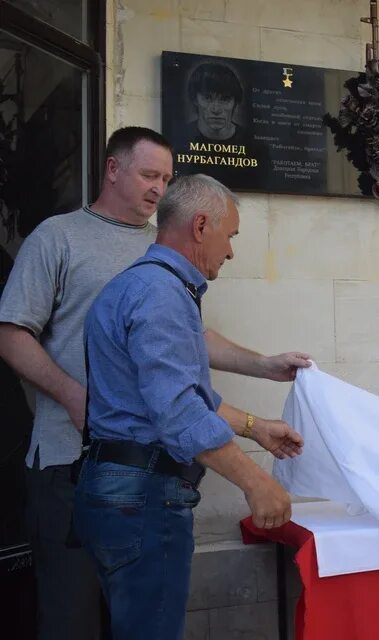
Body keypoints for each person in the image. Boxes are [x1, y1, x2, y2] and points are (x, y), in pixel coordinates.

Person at [0, 126, 309, 640]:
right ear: (112, 169)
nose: (158, 188)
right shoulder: (65, 239)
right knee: (74, 620)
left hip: (115, 469)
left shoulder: (157, 262)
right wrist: (256, 481)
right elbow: (12, 335)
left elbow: (180, 371)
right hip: (78, 462)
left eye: (167, 178)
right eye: (149, 174)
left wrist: (261, 386)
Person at [73, 174, 303, 639]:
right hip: (144, 496)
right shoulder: (160, 294)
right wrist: (256, 482)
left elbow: (176, 399)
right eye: (230, 235)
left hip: (124, 492)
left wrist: (255, 426)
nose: (232, 251)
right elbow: (179, 414)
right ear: (201, 226)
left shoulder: (145, 286)